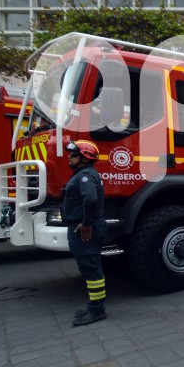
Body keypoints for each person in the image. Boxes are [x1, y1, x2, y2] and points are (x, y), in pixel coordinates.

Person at [62, 140, 108, 327]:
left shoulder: (85, 176)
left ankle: (97, 310)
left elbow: (90, 200)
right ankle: (94, 307)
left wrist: (87, 224)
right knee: (89, 267)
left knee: (91, 269)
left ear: (85, 156)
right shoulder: (85, 174)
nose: (69, 156)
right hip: (83, 226)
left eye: (73, 154)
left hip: (85, 228)